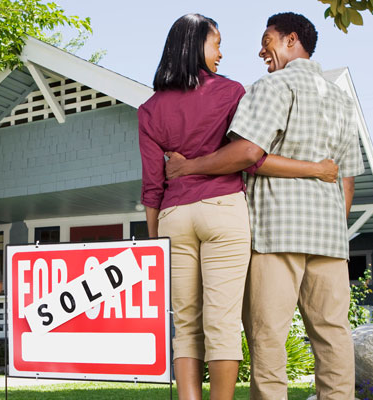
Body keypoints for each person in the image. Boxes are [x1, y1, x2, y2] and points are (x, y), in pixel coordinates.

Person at [139, 13, 339, 400]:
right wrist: (315, 169)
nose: (221, 53)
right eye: (216, 44)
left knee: (186, 324)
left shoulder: (149, 109)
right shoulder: (231, 92)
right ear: (197, 45)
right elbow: (251, 157)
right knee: (223, 323)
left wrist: (154, 242)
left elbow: (152, 185)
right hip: (223, 211)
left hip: (173, 217)